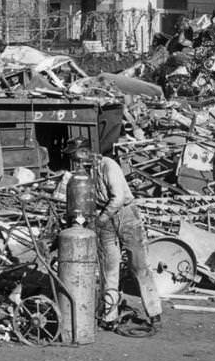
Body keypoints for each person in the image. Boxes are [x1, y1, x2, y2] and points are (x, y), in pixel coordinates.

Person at [66, 139, 161, 330]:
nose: (74, 161)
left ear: (85, 152)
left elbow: (118, 198)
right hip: (105, 218)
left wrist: (101, 219)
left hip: (126, 216)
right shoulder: (86, 173)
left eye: (75, 156)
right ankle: (110, 316)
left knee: (139, 266)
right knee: (109, 266)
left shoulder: (109, 166)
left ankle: (154, 312)